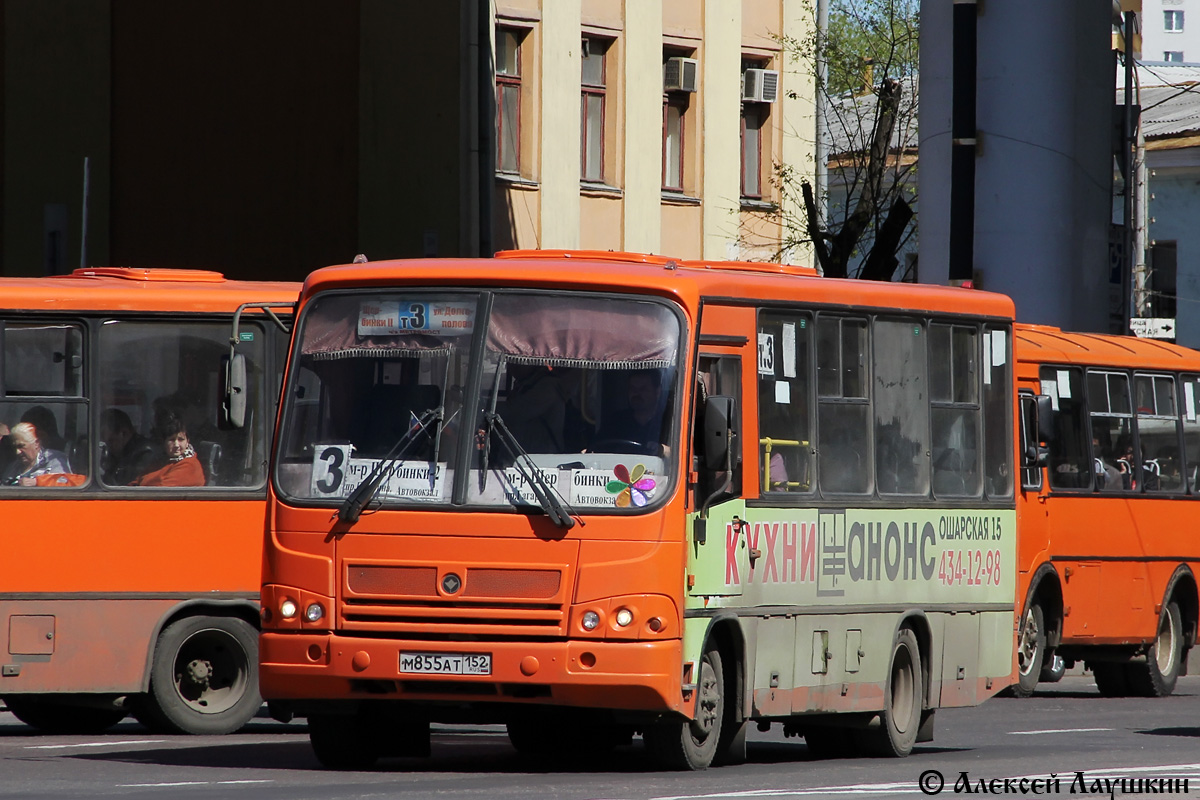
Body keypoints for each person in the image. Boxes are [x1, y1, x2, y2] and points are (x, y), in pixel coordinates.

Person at [131, 411, 205, 487]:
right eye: (172, 440)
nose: (176, 445)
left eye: (181, 439)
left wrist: (142, 483)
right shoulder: (162, 461)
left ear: (187, 441)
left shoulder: (190, 465)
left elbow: (162, 488)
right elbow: (137, 480)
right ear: (163, 442)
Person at [1, 422, 71, 486]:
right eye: (15, 447)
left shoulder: (55, 460)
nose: (17, 452)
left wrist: (36, 482)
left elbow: (65, 482)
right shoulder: (13, 467)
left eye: (21, 446)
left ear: (36, 443)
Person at [101, 408, 158, 486]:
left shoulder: (145, 453)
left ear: (124, 433)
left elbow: (125, 484)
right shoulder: (117, 454)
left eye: (111, 440)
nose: (108, 446)